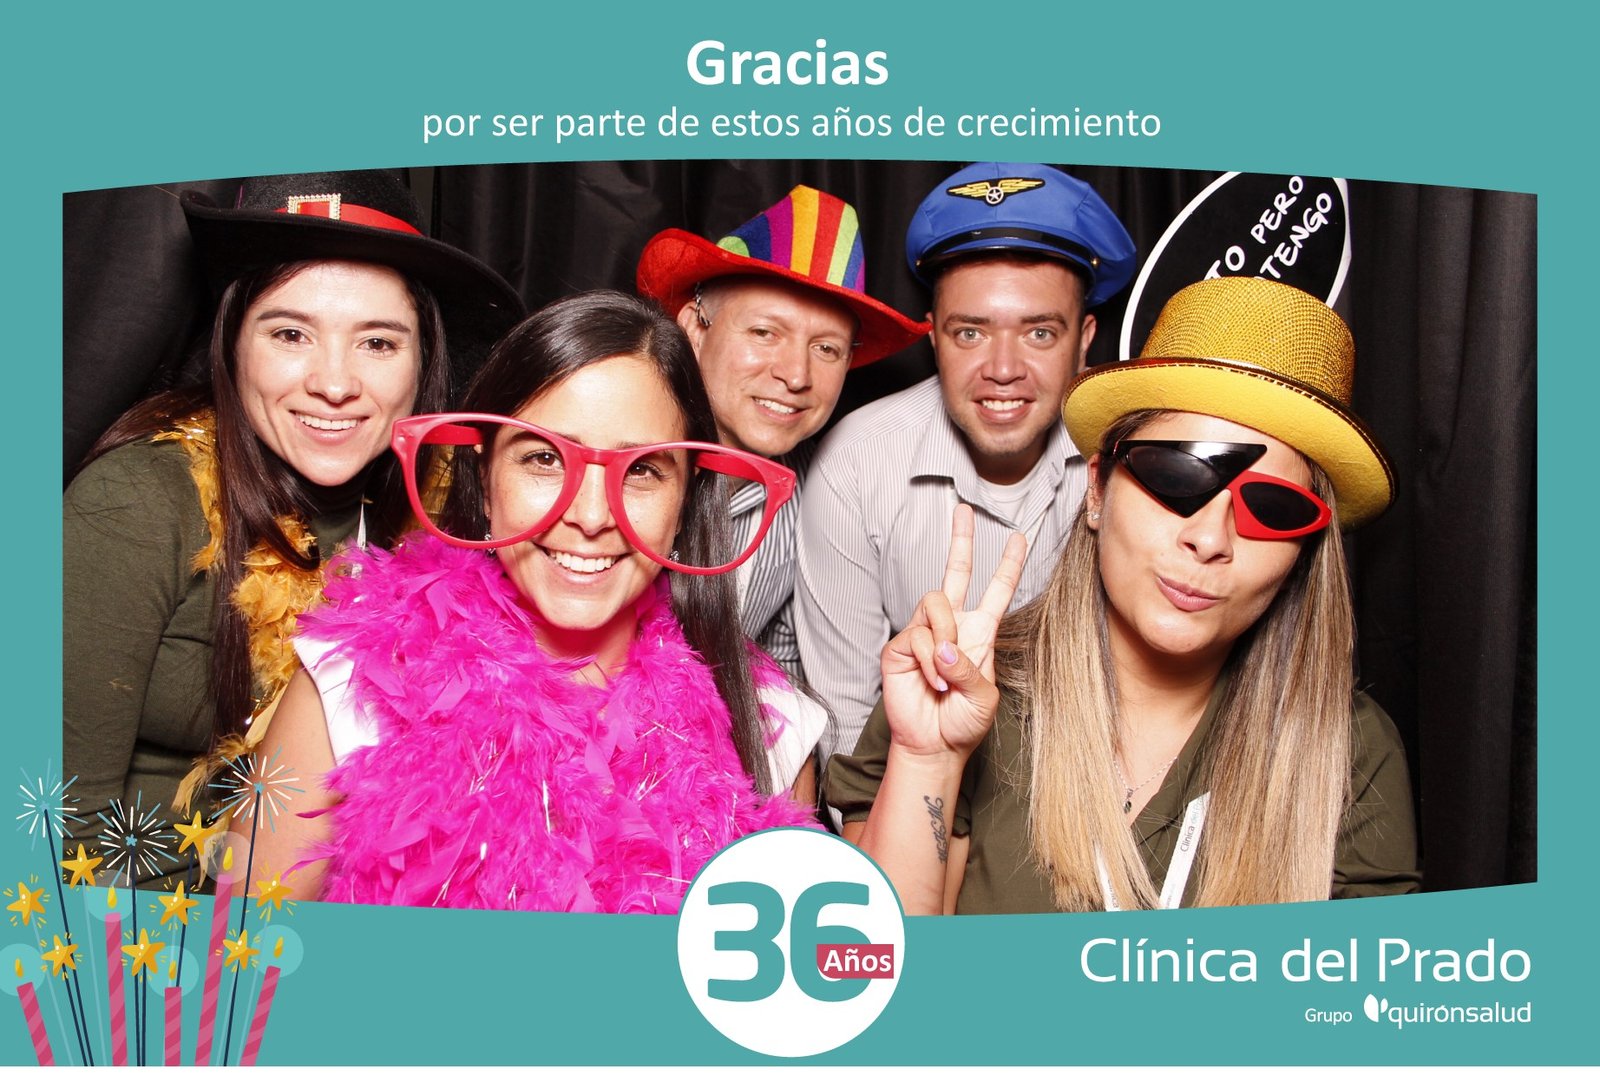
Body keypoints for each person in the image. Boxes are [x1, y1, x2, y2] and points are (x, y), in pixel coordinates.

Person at [827, 276, 1421, 913]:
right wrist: (929, 760)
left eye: (1273, 508)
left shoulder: (1350, 752)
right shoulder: (959, 688)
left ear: (1305, 550)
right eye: (1177, 475)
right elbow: (878, 967)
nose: (1209, 539)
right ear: (1097, 488)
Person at [247, 291, 822, 912]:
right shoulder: (343, 688)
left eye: (642, 471)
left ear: (686, 499)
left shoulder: (772, 728)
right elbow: (235, 951)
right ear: (485, 478)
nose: (592, 516)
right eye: (544, 459)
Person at [63, 171, 522, 887]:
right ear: (232, 343)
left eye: (378, 343)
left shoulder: (453, 519)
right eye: (290, 334)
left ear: (424, 361)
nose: (334, 384)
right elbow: (57, 831)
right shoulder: (136, 504)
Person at [796, 162, 1137, 768]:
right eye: (970, 334)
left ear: (1084, 340)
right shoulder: (856, 463)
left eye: (1039, 333)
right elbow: (847, 730)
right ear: (934, 338)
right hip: (918, 788)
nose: (1003, 370)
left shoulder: (1131, 456)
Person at [636, 185, 927, 683]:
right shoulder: (610, 455)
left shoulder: (825, 496)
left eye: (827, 349)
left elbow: (782, 678)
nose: (796, 375)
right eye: (764, 333)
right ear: (695, 329)